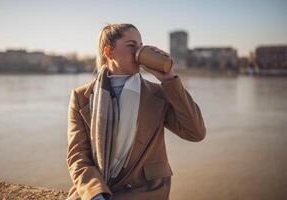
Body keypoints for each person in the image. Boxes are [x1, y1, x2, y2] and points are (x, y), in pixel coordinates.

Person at [66, 23, 206, 200]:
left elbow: (196, 132)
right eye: (132, 46)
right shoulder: (82, 97)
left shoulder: (159, 93)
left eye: (141, 46)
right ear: (109, 52)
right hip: (98, 189)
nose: (138, 53)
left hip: (145, 191)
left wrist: (169, 79)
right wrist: (95, 194)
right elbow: (78, 156)